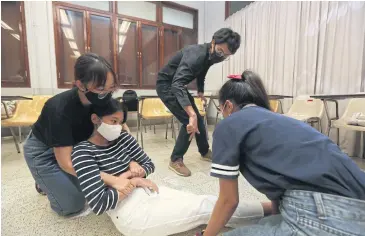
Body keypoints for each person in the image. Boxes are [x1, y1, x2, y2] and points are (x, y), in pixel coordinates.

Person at [71, 98, 273, 236]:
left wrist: (130, 174)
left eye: (121, 122)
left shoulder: (122, 137)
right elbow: (99, 204)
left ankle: (268, 209)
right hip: (128, 211)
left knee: (203, 199)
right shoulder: (82, 152)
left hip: (147, 190)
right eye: (112, 121)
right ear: (95, 118)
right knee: (204, 209)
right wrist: (132, 179)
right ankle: (269, 209)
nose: (117, 127)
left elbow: (149, 164)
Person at [197, 70, 365, 236]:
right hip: (356, 208)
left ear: (227, 106)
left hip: (326, 211)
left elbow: (228, 201)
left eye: (220, 110)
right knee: (266, 223)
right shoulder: (279, 119)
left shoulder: (228, 125)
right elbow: (281, 187)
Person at [23, 53, 130, 216]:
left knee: (98, 185)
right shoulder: (59, 108)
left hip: (74, 146)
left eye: (111, 88)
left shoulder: (103, 98)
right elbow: (66, 163)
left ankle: (54, 182)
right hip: (44, 153)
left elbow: (120, 125)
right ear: (80, 84)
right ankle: (43, 181)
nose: (107, 94)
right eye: (100, 88)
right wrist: (113, 179)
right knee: (74, 204)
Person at [156, 28, 241, 177]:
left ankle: (203, 151)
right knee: (188, 121)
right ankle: (175, 159)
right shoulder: (197, 54)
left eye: (226, 56)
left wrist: (200, 91)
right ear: (213, 42)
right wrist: (191, 114)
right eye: (220, 51)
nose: (221, 57)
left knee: (199, 119)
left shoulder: (210, 56)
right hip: (167, 85)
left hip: (177, 85)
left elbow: (202, 72)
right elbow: (177, 84)